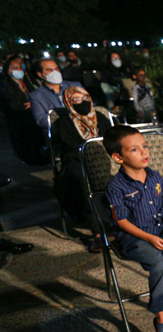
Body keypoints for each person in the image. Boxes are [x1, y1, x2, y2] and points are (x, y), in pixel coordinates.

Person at [105, 126, 163, 332]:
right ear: (118, 157)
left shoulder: (155, 176)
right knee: (159, 265)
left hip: (161, 229)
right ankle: (162, 316)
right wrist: (149, 238)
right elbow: (121, 221)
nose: (144, 152)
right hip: (134, 237)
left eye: (144, 146)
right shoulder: (116, 186)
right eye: (135, 149)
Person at [53, 86, 112, 252]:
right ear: (69, 103)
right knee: (84, 179)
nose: (83, 102)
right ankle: (99, 231)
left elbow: (112, 139)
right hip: (77, 161)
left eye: (85, 98)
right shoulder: (64, 123)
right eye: (77, 100)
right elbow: (68, 147)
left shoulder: (100, 117)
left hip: (103, 159)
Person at [0, 56, 47, 165]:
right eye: (15, 68)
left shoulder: (26, 82)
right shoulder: (5, 84)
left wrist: (33, 103)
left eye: (20, 68)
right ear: (8, 70)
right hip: (18, 118)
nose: (18, 70)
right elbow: (9, 103)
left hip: (32, 116)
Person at [29, 58, 81, 137]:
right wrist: (68, 122)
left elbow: (91, 106)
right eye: (49, 70)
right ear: (40, 74)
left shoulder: (75, 86)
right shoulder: (36, 95)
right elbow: (41, 120)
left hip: (82, 130)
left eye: (56, 69)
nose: (55, 72)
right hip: (58, 135)